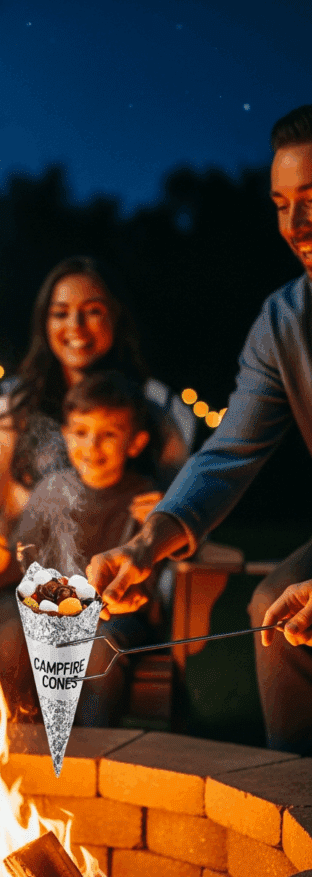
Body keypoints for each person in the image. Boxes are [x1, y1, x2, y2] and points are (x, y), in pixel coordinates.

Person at [87, 104, 312, 756]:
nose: (295, 226)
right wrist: (143, 546)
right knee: (275, 610)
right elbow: (227, 454)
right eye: (279, 203)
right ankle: (296, 807)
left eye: (311, 199)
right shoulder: (283, 322)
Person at [0, 256, 179, 578]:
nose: (75, 326)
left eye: (93, 311)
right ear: (44, 323)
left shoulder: (153, 417)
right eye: (60, 313)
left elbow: (190, 517)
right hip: (25, 589)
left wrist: (169, 518)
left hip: (118, 594)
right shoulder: (14, 414)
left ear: (116, 317)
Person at [0, 371, 160, 726]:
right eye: (81, 433)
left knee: (99, 653)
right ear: (65, 435)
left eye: (108, 434)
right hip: (40, 606)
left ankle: (90, 755)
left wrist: (158, 523)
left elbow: (148, 581)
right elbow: (18, 562)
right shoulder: (52, 489)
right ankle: (19, 739)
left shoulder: (145, 498)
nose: (92, 447)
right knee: (9, 630)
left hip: (110, 615)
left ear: (136, 442)